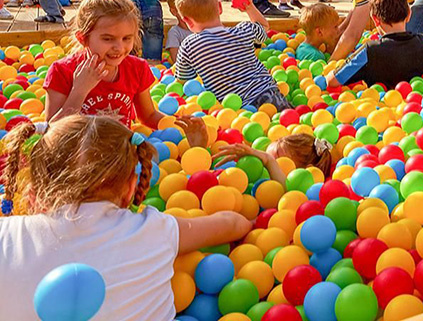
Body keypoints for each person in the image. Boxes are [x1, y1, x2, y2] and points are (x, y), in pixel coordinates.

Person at [0, 115, 250, 319]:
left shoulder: (6, 234)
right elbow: (231, 224)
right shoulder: (154, 229)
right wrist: (250, 222)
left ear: (35, 188)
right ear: (131, 188)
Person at [43, 0, 204, 143]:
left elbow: (148, 116)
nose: (119, 48)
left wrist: (181, 127)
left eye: (127, 38)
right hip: (78, 155)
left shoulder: (137, 68)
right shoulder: (62, 71)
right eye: (108, 39)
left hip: (121, 154)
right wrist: (79, 91)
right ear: (83, 38)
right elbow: (51, 134)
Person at [172, 0, 290, 109]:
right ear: (220, 7)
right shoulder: (244, 30)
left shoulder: (189, 46)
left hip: (236, 108)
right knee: (288, 121)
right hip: (269, 93)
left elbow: (183, 81)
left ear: (187, 21)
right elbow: (264, 27)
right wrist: (250, 8)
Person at [331, 0, 423, 88]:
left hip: (377, 104)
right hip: (418, 105)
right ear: (409, 14)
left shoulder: (369, 50)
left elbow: (333, 81)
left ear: (375, 20)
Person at [215, 133, 335, 186]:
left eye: (276, 159)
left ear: (304, 173)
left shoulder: (300, 196)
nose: (262, 163)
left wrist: (268, 160)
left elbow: (287, 192)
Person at [164, 0, 193, 64]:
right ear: (174, 11)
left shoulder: (200, 29)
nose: (191, 11)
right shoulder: (175, 32)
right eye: (186, 8)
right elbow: (176, 60)